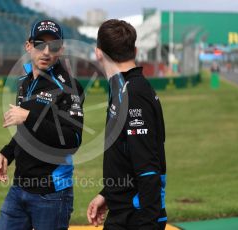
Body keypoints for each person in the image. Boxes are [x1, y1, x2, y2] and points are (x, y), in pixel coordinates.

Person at [0, 19, 84, 230]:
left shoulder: (69, 87)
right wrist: (8, 153)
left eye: (53, 46)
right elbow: (27, 132)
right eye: (39, 44)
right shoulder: (24, 82)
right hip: (19, 188)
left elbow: (73, 140)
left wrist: (29, 117)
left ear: (60, 49)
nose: (46, 51)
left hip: (51, 193)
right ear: (28, 46)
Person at [87, 19, 167, 230]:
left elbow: (148, 169)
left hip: (137, 220)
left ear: (98, 53)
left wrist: (148, 223)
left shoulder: (133, 93)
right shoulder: (124, 89)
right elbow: (126, 154)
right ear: (135, 50)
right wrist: (107, 194)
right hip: (123, 213)